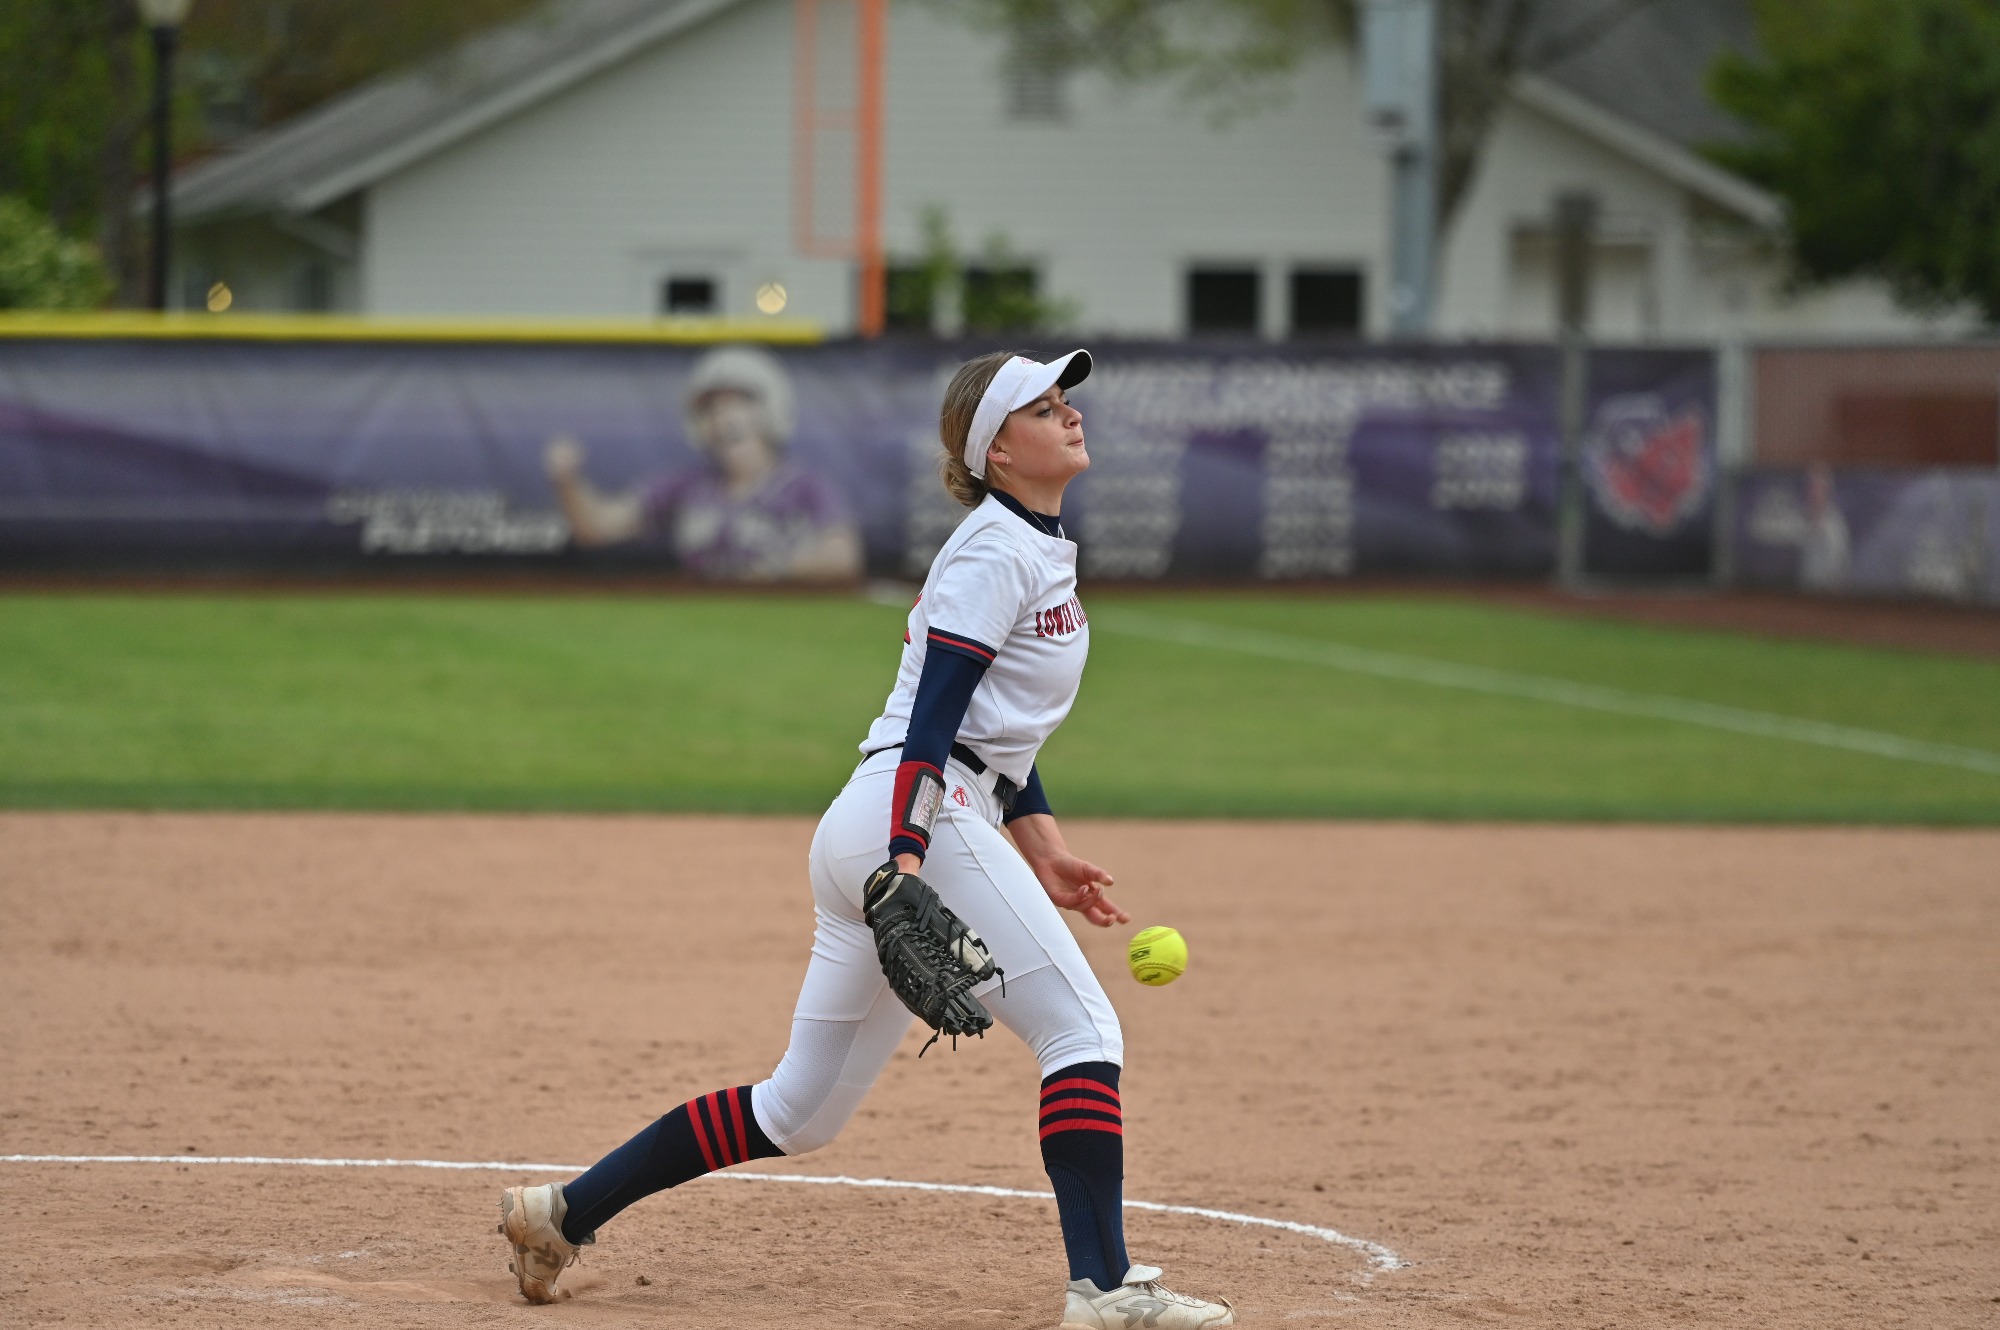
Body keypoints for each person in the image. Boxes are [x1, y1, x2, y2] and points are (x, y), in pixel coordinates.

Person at [499, 349, 1236, 1329]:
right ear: (997, 453)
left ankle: (560, 1212)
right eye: (1041, 406)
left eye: (1067, 401)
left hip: (889, 814)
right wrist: (907, 858)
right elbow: (934, 721)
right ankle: (1101, 1291)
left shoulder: (1031, 543)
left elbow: (993, 732)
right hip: (913, 814)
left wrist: (1044, 847)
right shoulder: (992, 551)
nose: (1067, 414)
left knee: (795, 1111)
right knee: (1083, 1032)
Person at [545, 344, 863, 580]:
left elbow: (843, 555)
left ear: (771, 409)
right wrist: (567, 480)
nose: (724, 418)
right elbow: (597, 527)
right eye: (711, 409)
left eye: (739, 402)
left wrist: (769, 571)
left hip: (781, 622)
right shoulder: (686, 488)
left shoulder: (806, 487)